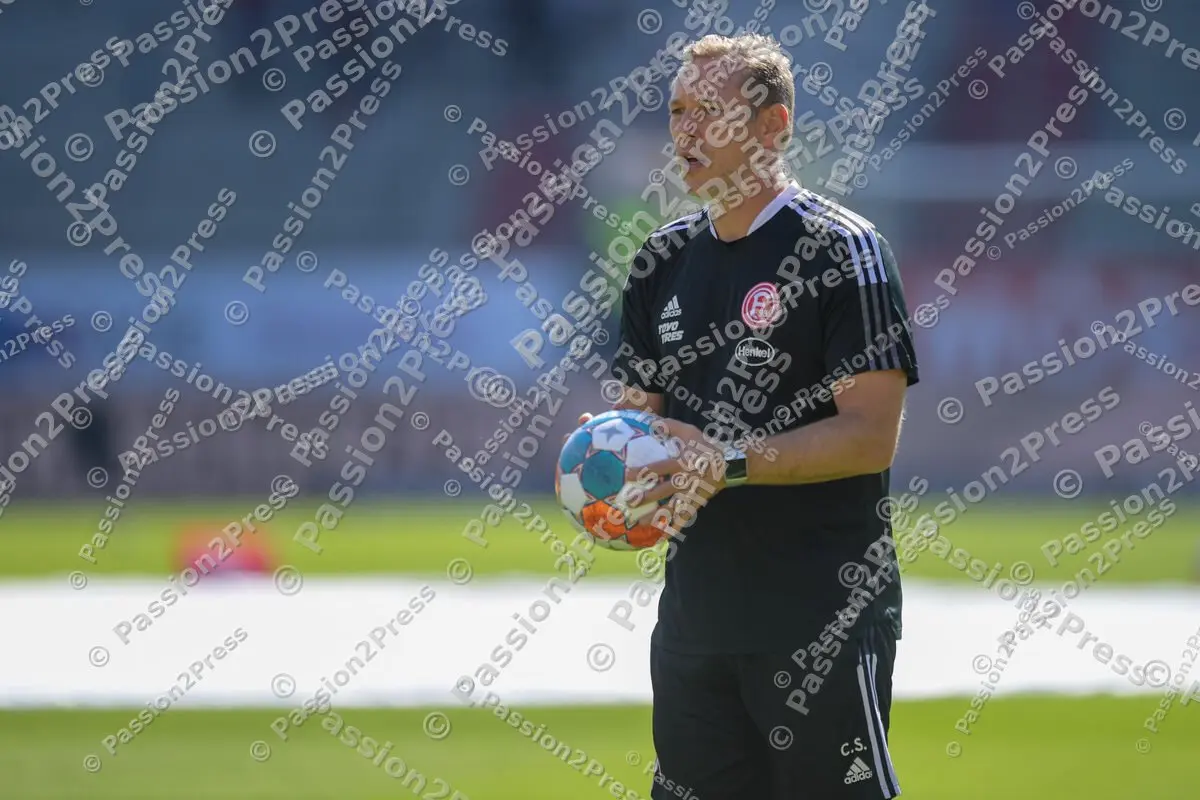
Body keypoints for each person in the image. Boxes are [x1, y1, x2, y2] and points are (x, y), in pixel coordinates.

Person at [579, 33, 920, 799]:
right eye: (677, 111)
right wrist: (616, 484)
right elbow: (641, 434)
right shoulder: (657, 262)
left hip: (819, 617)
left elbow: (871, 435)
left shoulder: (845, 250)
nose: (687, 131)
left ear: (773, 127)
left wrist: (725, 462)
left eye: (710, 111)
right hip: (695, 627)